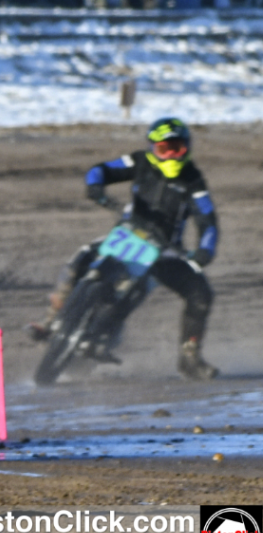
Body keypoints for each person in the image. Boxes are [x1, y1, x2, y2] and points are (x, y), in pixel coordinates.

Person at [29, 119, 219, 380]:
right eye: (165, 149)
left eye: (178, 148)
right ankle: (49, 322)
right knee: (82, 257)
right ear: (154, 149)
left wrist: (204, 251)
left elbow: (208, 222)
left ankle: (190, 358)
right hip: (128, 234)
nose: (172, 155)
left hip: (166, 251)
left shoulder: (193, 181)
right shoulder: (139, 162)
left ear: (187, 148)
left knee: (201, 294)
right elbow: (101, 170)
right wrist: (95, 186)